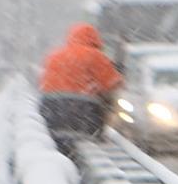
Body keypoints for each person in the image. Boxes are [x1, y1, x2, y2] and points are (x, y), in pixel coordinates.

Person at [38, 22, 122, 150]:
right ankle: (95, 139)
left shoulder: (54, 55)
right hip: (83, 114)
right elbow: (114, 84)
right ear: (95, 39)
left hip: (51, 111)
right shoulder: (96, 55)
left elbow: (43, 83)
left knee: (60, 145)